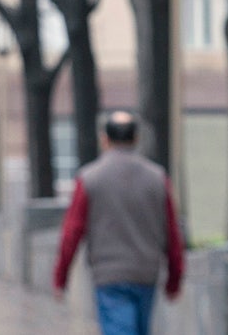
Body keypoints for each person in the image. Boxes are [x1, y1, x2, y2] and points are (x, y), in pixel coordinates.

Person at [53, 111, 184, 335]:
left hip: (108, 274)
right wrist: (175, 277)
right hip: (146, 272)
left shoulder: (89, 178)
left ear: (105, 139)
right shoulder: (157, 178)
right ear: (136, 138)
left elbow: (72, 232)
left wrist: (61, 275)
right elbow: (172, 232)